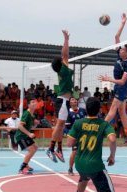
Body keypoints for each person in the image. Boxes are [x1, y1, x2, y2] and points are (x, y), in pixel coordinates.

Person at [66, 97, 116, 192]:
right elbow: (112, 139)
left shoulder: (78, 123)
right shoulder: (103, 124)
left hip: (79, 163)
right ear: (99, 110)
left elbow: (69, 143)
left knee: (84, 178)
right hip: (95, 165)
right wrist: (112, 156)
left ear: (86, 109)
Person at [99, 13, 127, 144]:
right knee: (121, 111)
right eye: (120, 49)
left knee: (113, 109)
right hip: (119, 86)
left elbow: (123, 81)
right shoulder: (120, 56)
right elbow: (116, 36)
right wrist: (123, 23)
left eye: (123, 49)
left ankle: (99, 130)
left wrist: (108, 79)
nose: (120, 50)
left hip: (122, 86)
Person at [46, 30, 74, 163]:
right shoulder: (63, 69)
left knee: (61, 126)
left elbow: (65, 55)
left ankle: (59, 149)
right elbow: (65, 53)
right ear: (60, 63)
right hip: (62, 100)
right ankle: (51, 148)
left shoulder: (61, 70)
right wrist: (66, 40)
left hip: (64, 100)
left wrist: (66, 40)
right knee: (59, 125)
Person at [15, 98, 39, 174]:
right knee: (32, 149)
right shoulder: (26, 114)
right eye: (32, 102)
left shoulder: (32, 115)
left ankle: (26, 164)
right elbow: (20, 126)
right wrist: (29, 134)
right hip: (21, 136)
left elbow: (29, 127)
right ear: (28, 105)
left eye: (35, 102)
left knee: (35, 147)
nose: (34, 103)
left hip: (25, 135)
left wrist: (35, 124)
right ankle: (22, 167)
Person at [65, 97, 87, 175]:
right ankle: (70, 168)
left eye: (75, 99)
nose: (74, 101)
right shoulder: (68, 113)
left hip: (84, 135)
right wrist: (70, 135)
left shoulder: (83, 111)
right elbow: (67, 127)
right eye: (72, 100)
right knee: (74, 152)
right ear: (70, 103)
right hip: (75, 135)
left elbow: (88, 120)